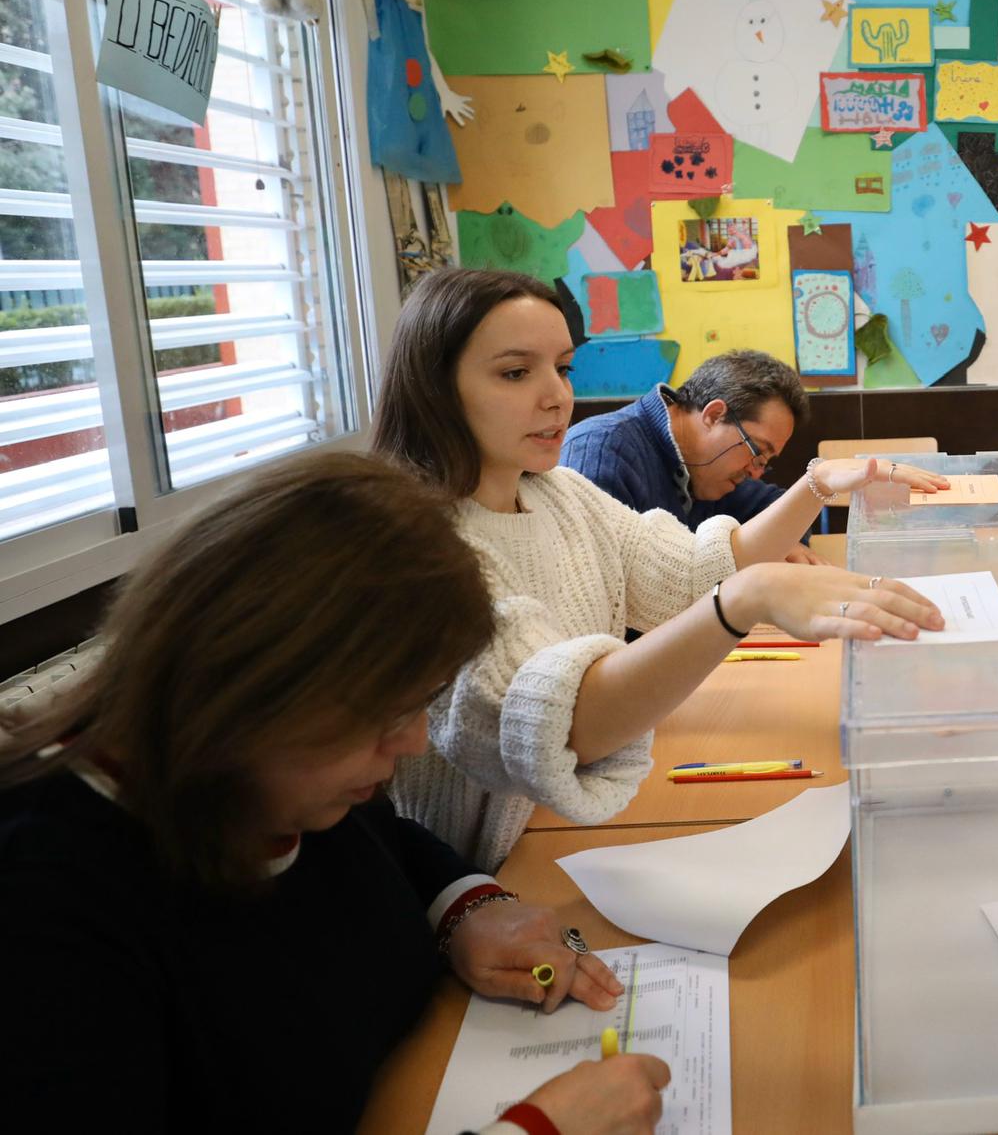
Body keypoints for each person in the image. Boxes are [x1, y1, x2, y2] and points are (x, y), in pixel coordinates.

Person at [0, 453, 669, 1134]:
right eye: (388, 711)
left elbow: (387, 844)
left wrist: (466, 908)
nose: (412, 741)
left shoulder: (272, 781)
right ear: (253, 685)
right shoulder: (51, 907)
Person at [371, 268, 946, 868]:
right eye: (516, 372)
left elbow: (695, 571)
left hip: (557, 825)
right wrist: (745, 599)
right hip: (473, 873)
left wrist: (816, 485)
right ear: (436, 387)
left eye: (563, 369)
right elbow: (557, 726)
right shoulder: (426, 544)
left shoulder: (559, 494)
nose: (557, 396)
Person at [559, 349, 826, 565]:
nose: (755, 472)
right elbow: (604, 590)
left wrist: (781, 539)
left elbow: (776, 504)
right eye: (757, 452)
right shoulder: (602, 451)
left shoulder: (704, 471)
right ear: (713, 416)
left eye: (764, 463)